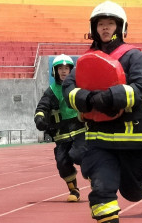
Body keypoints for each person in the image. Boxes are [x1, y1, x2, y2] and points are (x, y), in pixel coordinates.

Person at [62, 1, 142, 222]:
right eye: (101, 24)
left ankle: (138, 181)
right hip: (98, 141)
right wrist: (87, 99)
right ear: (94, 28)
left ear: (120, 27)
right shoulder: (85, 59)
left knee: (134, 193)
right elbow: (69, 88)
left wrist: (110, 97)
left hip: (131, 141)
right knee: (102, 192)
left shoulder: (134, 56)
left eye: (110, 24)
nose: (105, 28)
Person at [34, 54, 87, 202]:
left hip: (80, 130)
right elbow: (42, 107)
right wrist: (39, 118)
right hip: (61, 134)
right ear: (54, 71)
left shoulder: (79, 86)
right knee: (62, 162)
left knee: (80, 154)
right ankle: (74, 190)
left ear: (71, 70)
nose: (64, 71)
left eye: (67, 68)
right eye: (60, 68)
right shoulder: (51, 91)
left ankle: (96, 183)